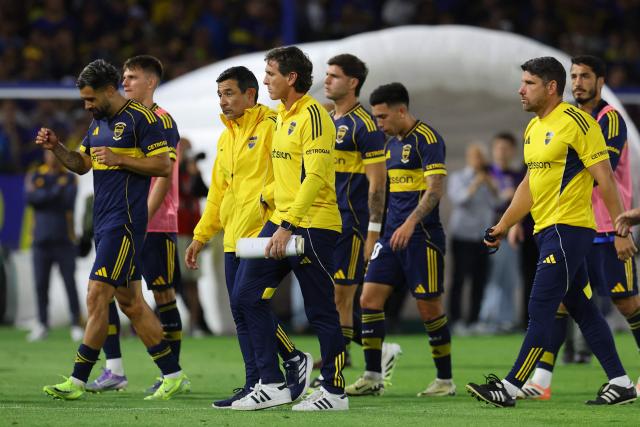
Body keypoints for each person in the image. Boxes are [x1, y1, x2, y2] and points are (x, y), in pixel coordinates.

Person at [466, 56, 637, 408]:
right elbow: (530, 185)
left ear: (550, 87)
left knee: (541, 306)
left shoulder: (579, 123)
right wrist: (503, 225)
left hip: (568, 229)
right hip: (547, 230)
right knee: (582, 308)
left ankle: (511, 386)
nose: (520, 90)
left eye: (528, 83)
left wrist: (621, 227)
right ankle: (620, 382)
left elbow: (605, 177)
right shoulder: (532, 128)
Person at [38, 59, 187, 401]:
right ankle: (173, 373)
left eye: (91, 99)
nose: (87, 106)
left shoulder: (143, 119)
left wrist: (121, 159)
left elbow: (163, 165)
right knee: (131, 303)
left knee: (96, 294)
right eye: (84, 101)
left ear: (109, 90)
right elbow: (82, 164)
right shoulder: (98, 122)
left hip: (125, 221)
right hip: (104, 222)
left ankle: (77, 380)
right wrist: (57, 148)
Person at [184, 65, 312, 408]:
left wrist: (266, 201)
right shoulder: (226, 138)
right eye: (220, 95)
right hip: (232, 237)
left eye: (229, 93)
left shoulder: (272, 125)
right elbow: (217, 194)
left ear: (250, 94)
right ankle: (255, 380)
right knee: (241, 311)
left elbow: (290, 171)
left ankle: (275, 374)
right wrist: (201, 235)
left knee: (249, 303)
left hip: (263, 234)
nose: (223, 101)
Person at [229, 46, 348, 411]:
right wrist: (268, 198)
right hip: (283, 220)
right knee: (245, 296)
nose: (265, 80)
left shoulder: (314, 116)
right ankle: (273, 383)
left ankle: (334, 391)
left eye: (270, 74)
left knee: (321, 311)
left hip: (313, 225)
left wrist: (287, 224)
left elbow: (314, 177)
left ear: (291, 77)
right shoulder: (281, 116)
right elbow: (287, 174)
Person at [521, 55, 640, 400]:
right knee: (562, 301)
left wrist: (621, 231)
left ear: (600, 81)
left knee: (627, 302)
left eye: (585, 76)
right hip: (574, 227)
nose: (578, 83)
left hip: (606, 227)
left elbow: (598, 171)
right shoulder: (560, 120)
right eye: (573, 76)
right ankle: (541, 379)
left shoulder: (610, 120)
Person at [85, 55, 187, 395]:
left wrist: (140, 216)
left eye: (132, 77)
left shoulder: (161, 120)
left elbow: (163, 173)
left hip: (154, 222)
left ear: (151, 83)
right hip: (123, 219)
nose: (125, 82)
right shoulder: (117, 118)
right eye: (123, 77)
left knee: (162, 296)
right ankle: (116, 368)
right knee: (111, 291)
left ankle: (174, 371)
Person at [345, 82, 455, 398]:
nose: (379, 124)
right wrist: (375, 234)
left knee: (429, 309)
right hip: (390, 238)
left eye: (382, 117)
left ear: (401, 110)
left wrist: (409, 223)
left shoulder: (428, 140)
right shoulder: (389, 144)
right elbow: (381, 192)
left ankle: (445, 381)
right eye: (376, 117)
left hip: (422, 238)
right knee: (368, 300)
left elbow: (434, 190)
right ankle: (372, 376)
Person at [322, 53, 402, 381]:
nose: (327, 81)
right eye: (326, 75)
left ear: (352, 83)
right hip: (325, 221)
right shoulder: (327, 121)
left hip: (351, 223)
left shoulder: (365, 126)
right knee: (329, 298)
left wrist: (372, 232)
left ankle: (334, 375)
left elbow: (378, 183)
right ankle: (378, 351)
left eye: (334, 76)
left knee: (342, 298)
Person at [25, 149, 83, 342]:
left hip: (64, 240)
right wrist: (54, 192)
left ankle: (76, 323)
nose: (51, 157)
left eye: (54, 154)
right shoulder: (36, 175)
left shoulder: (69, 177)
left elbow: (68, 201)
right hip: (40, 241)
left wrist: (45, 195)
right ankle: (42, 324)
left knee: (69, 283)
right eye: (48, 154)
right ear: (44, 156)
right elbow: (32, 200)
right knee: (41, 284)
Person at [447, 143, 497, 331]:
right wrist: (475, 184)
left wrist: (491, 184)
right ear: (469, 158)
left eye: (482, 156)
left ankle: (475, 320)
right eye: (476, 156)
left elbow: (499, 201)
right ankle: (456, 320)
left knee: (480, 280)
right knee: (459, 279)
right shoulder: (458, 178)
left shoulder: (490, 178)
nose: (480, 160)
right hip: (462, 235)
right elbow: (459, 199)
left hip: (483, 237)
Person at [477, 133, 523, 333]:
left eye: (506, 148)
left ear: (513, 151)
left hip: (507, 234)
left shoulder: (518, 176)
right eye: (498, 148)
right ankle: (487, 319)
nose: (502, 152)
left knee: (508, 277)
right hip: (481, 232)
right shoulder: (484, 173)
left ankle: (505, 319)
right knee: (489, 277)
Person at [176, 138, 211, 337]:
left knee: (192, 282)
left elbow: (203, 192)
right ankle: (172, 324)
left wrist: (195, 172)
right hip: (178, 231)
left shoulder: (191, 172)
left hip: (193, 232)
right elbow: (180, 190)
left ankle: (195, 324)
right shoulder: (174, 170)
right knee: (174, 281)